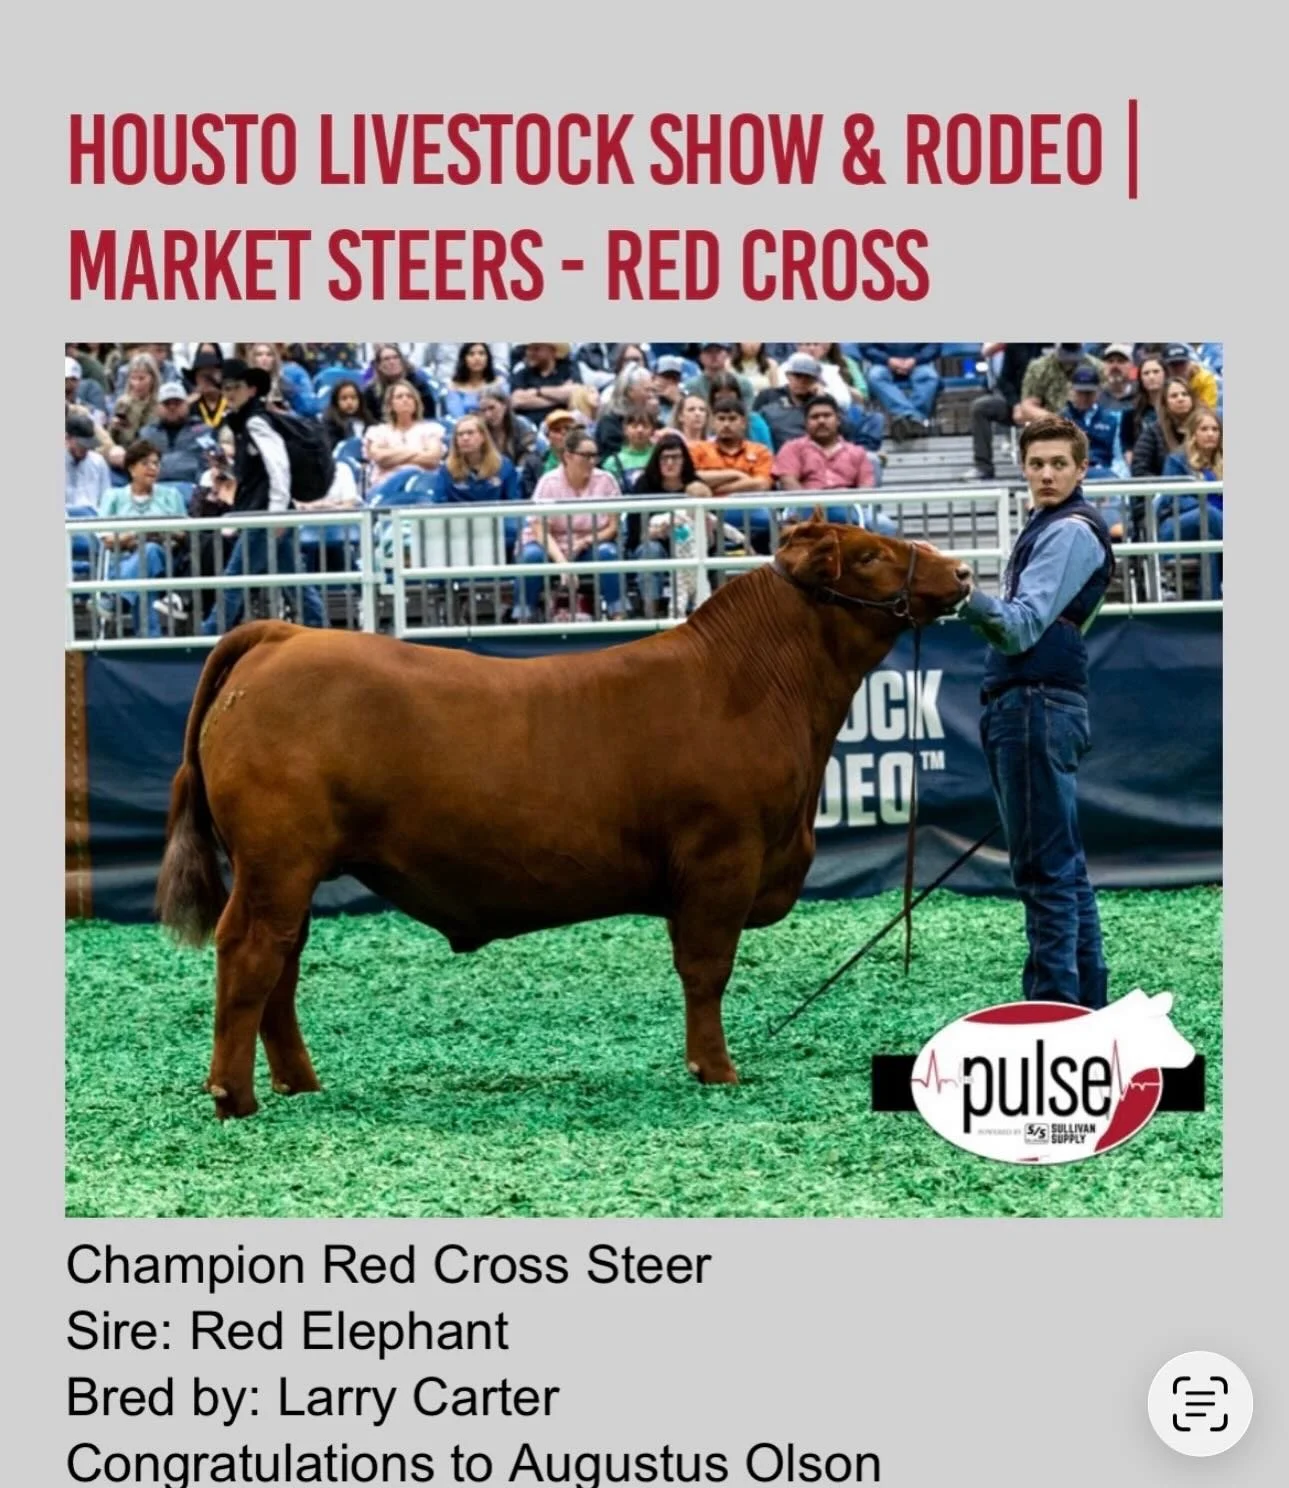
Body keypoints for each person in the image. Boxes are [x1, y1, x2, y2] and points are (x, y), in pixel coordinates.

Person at [956, 415, 1117, 1010]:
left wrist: (962, 597)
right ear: (1023, 468)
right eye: (1037, 464)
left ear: (1082, 469)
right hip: (1044, 704)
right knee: (1063, 868)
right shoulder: (1054, 526)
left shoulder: (1068, 530)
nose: (1046, 474)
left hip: (1033, 703)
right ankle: (1085, 1008)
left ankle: (1053, 1011)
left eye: (1058, 464)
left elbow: (1021, 626)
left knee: (1044, 872)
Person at [199, 359, 328, 635]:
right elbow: (259, 472)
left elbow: (278, 467)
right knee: (293, 579)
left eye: (235, 387)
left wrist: (276, 514)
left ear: (251, 389)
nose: (229, 394)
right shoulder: (248, 422)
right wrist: (228, 470)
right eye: (225, 388)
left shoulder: (255, 421)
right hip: (267, 511)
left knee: (235, 579)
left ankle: (208, 636)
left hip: (264, 514)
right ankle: (320, 629)